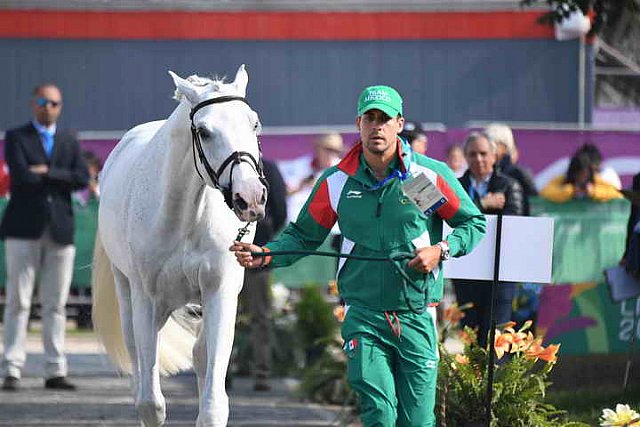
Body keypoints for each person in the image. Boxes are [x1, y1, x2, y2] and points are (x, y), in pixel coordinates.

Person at [231, 85, 486, 426]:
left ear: (399, 123)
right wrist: (267, 254)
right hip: (363, 316)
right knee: (379, 414)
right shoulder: (338, 181)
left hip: (416, 313)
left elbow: (472, 223)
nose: (377, 126)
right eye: (370, 118)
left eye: (385, 119)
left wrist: (441, 250)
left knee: (418, 421)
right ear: (359, 123)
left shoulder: (421, 178)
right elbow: (304, 235)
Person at [0, 83, 89, 392]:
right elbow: (22, 177)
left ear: (60, 106)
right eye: (42, 101)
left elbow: (80, 177)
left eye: (53, 103)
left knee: (56, 305)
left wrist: (46, 172)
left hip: (60, 230)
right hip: (23, 229)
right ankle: (11, 367)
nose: (48, 107)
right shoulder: (17, 136)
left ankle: (55, 370)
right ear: (33, 104)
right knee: (18, 301)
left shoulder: (69, 139)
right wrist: (57, 174)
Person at [453, 132, 524, 347]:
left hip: (500, 272)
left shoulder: (510, 185)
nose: (479, 159)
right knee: (471, 334)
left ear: (494, 156)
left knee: (497, 337)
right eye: (473, 154)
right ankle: (473, 381)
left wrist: (473, 210)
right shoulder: (456, 185)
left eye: (484, 153)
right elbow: (452, 218)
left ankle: (497, 380)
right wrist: (483, 204)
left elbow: (516, 225)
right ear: (465, 156)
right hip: (466, 270)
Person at [238, 159, 288, 392]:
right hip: (234, 252)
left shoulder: (267, 168)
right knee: (259, 317)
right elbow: (280, 211)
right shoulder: (265, 167)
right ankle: (258, 372)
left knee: (257, 316)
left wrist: (264, 242)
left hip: (252, 252)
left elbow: (280, 211)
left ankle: (259, 372)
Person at [484, 123, 537, 216]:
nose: (488, 148)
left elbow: (532, 205)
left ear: (504, 146)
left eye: (493, 144)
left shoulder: (519, 174)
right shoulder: (481, 172)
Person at [540, 151, 622, 203]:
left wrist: (594, 191)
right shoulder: (563, 180)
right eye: (578, 175)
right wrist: (571, 190)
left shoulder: (595, 181)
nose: (582, 179)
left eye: (585, 175)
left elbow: (617, 193)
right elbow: (545, 192)